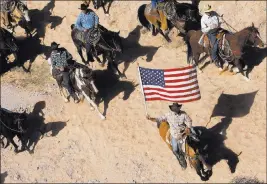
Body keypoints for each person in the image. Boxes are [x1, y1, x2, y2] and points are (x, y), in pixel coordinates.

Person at [146, 103, 194, 169]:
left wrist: (188, 127)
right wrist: (150, 118)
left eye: (176, 109)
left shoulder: (183, 114)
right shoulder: (168, 115)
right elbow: (159, 119)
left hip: (184, 133)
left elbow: (189, 121)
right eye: (174, 109)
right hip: (174, 135)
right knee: (175, 150)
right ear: (172, 109)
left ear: (179, 108)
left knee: (195, 140)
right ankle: (182, 162)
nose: (175, 110)